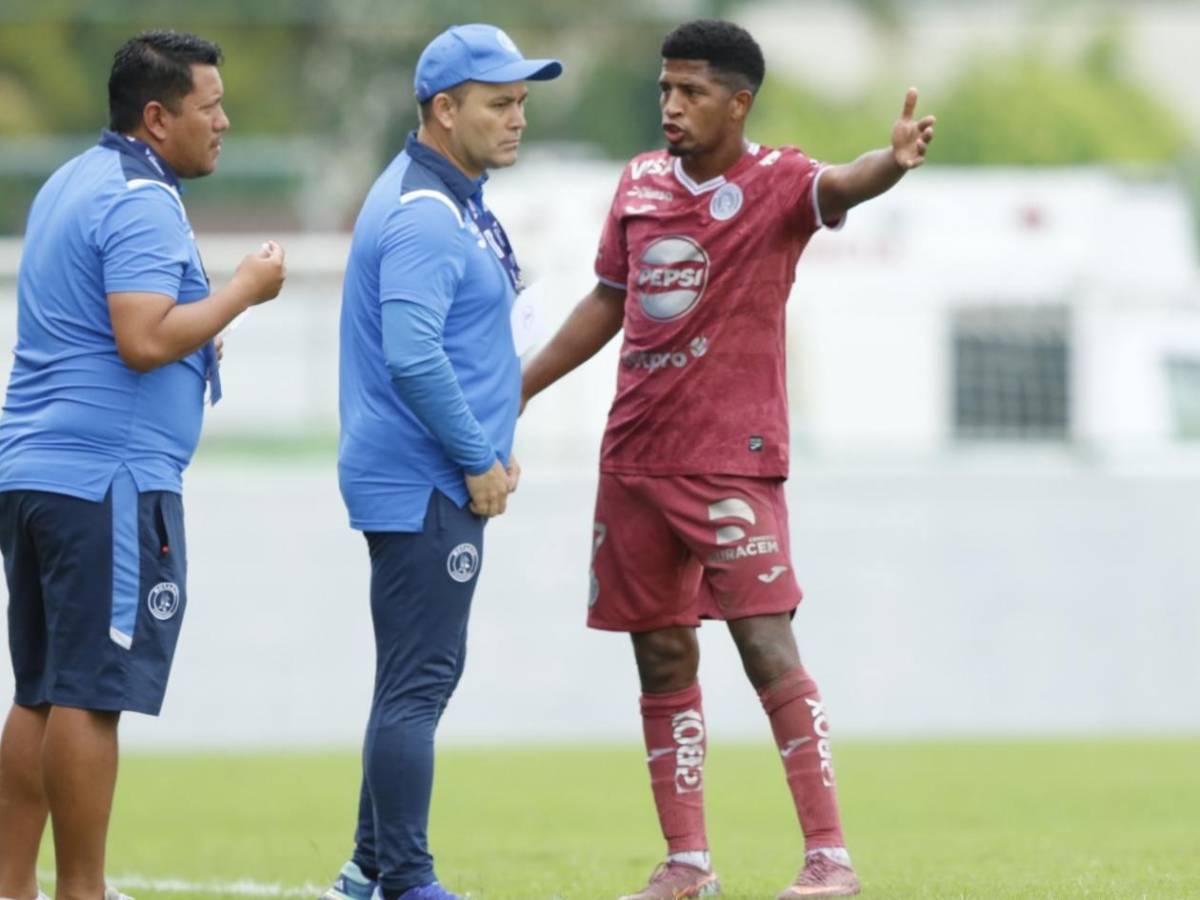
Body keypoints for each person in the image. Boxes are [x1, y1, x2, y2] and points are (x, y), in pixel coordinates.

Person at [521, 18, 935, 900]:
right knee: (662, 658)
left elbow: (842, 184)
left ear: (738, 102)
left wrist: (890, 163)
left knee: (765, 645)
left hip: (731, 463)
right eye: (665, 89)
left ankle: (830, 856)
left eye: (692, 92)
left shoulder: (778, 183)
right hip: (634, 460)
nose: (671, 106)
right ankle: (688, 863)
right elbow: (610, 300)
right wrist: (521, 387)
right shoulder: (636, 183)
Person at [0, 30, 286, 900]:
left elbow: (123, 323)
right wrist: (241, 289)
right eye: (210, 107)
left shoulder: (70, 181)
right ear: (157, 118)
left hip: (38, 472)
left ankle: (12, 886)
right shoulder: (138, 197)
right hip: (109, 480)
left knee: (40, 694)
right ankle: (82, 891)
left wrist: (199, 343)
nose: (225, 122)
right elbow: (140, 337)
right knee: (89, 693)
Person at [322, 24, 562, 900]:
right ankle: (408, 880)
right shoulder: (426, 214)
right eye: (499, 103)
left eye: (522, 102)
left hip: (429, 476)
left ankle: (367, 867)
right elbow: (413, 356)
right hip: (427, 480)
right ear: (443, 108)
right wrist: (478, 459)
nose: (516, 118)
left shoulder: (451, 196)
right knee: (420, 686)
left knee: (406, 682)